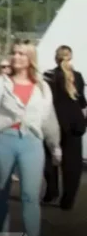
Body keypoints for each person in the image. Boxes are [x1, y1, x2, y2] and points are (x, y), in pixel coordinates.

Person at [0, 42, 61, 236]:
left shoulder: (42, 86)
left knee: (30, 195)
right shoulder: (0, 84)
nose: (16, 57)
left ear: (30, 58)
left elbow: (48, 119)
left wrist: (55, 146)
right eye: (14, 53)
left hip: (32, 142)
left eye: (21, 54)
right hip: (5, 140)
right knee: (1, 191)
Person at [42, 45, 86, 209]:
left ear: (56, 58)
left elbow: (44, 101)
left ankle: (52, 191)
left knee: (49, 157)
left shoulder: (48, 76)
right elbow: (82, 102)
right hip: (75, 122)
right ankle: (68, 200)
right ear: (71, 57)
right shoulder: (78, 76)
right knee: (73, 163)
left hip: (54, 121)